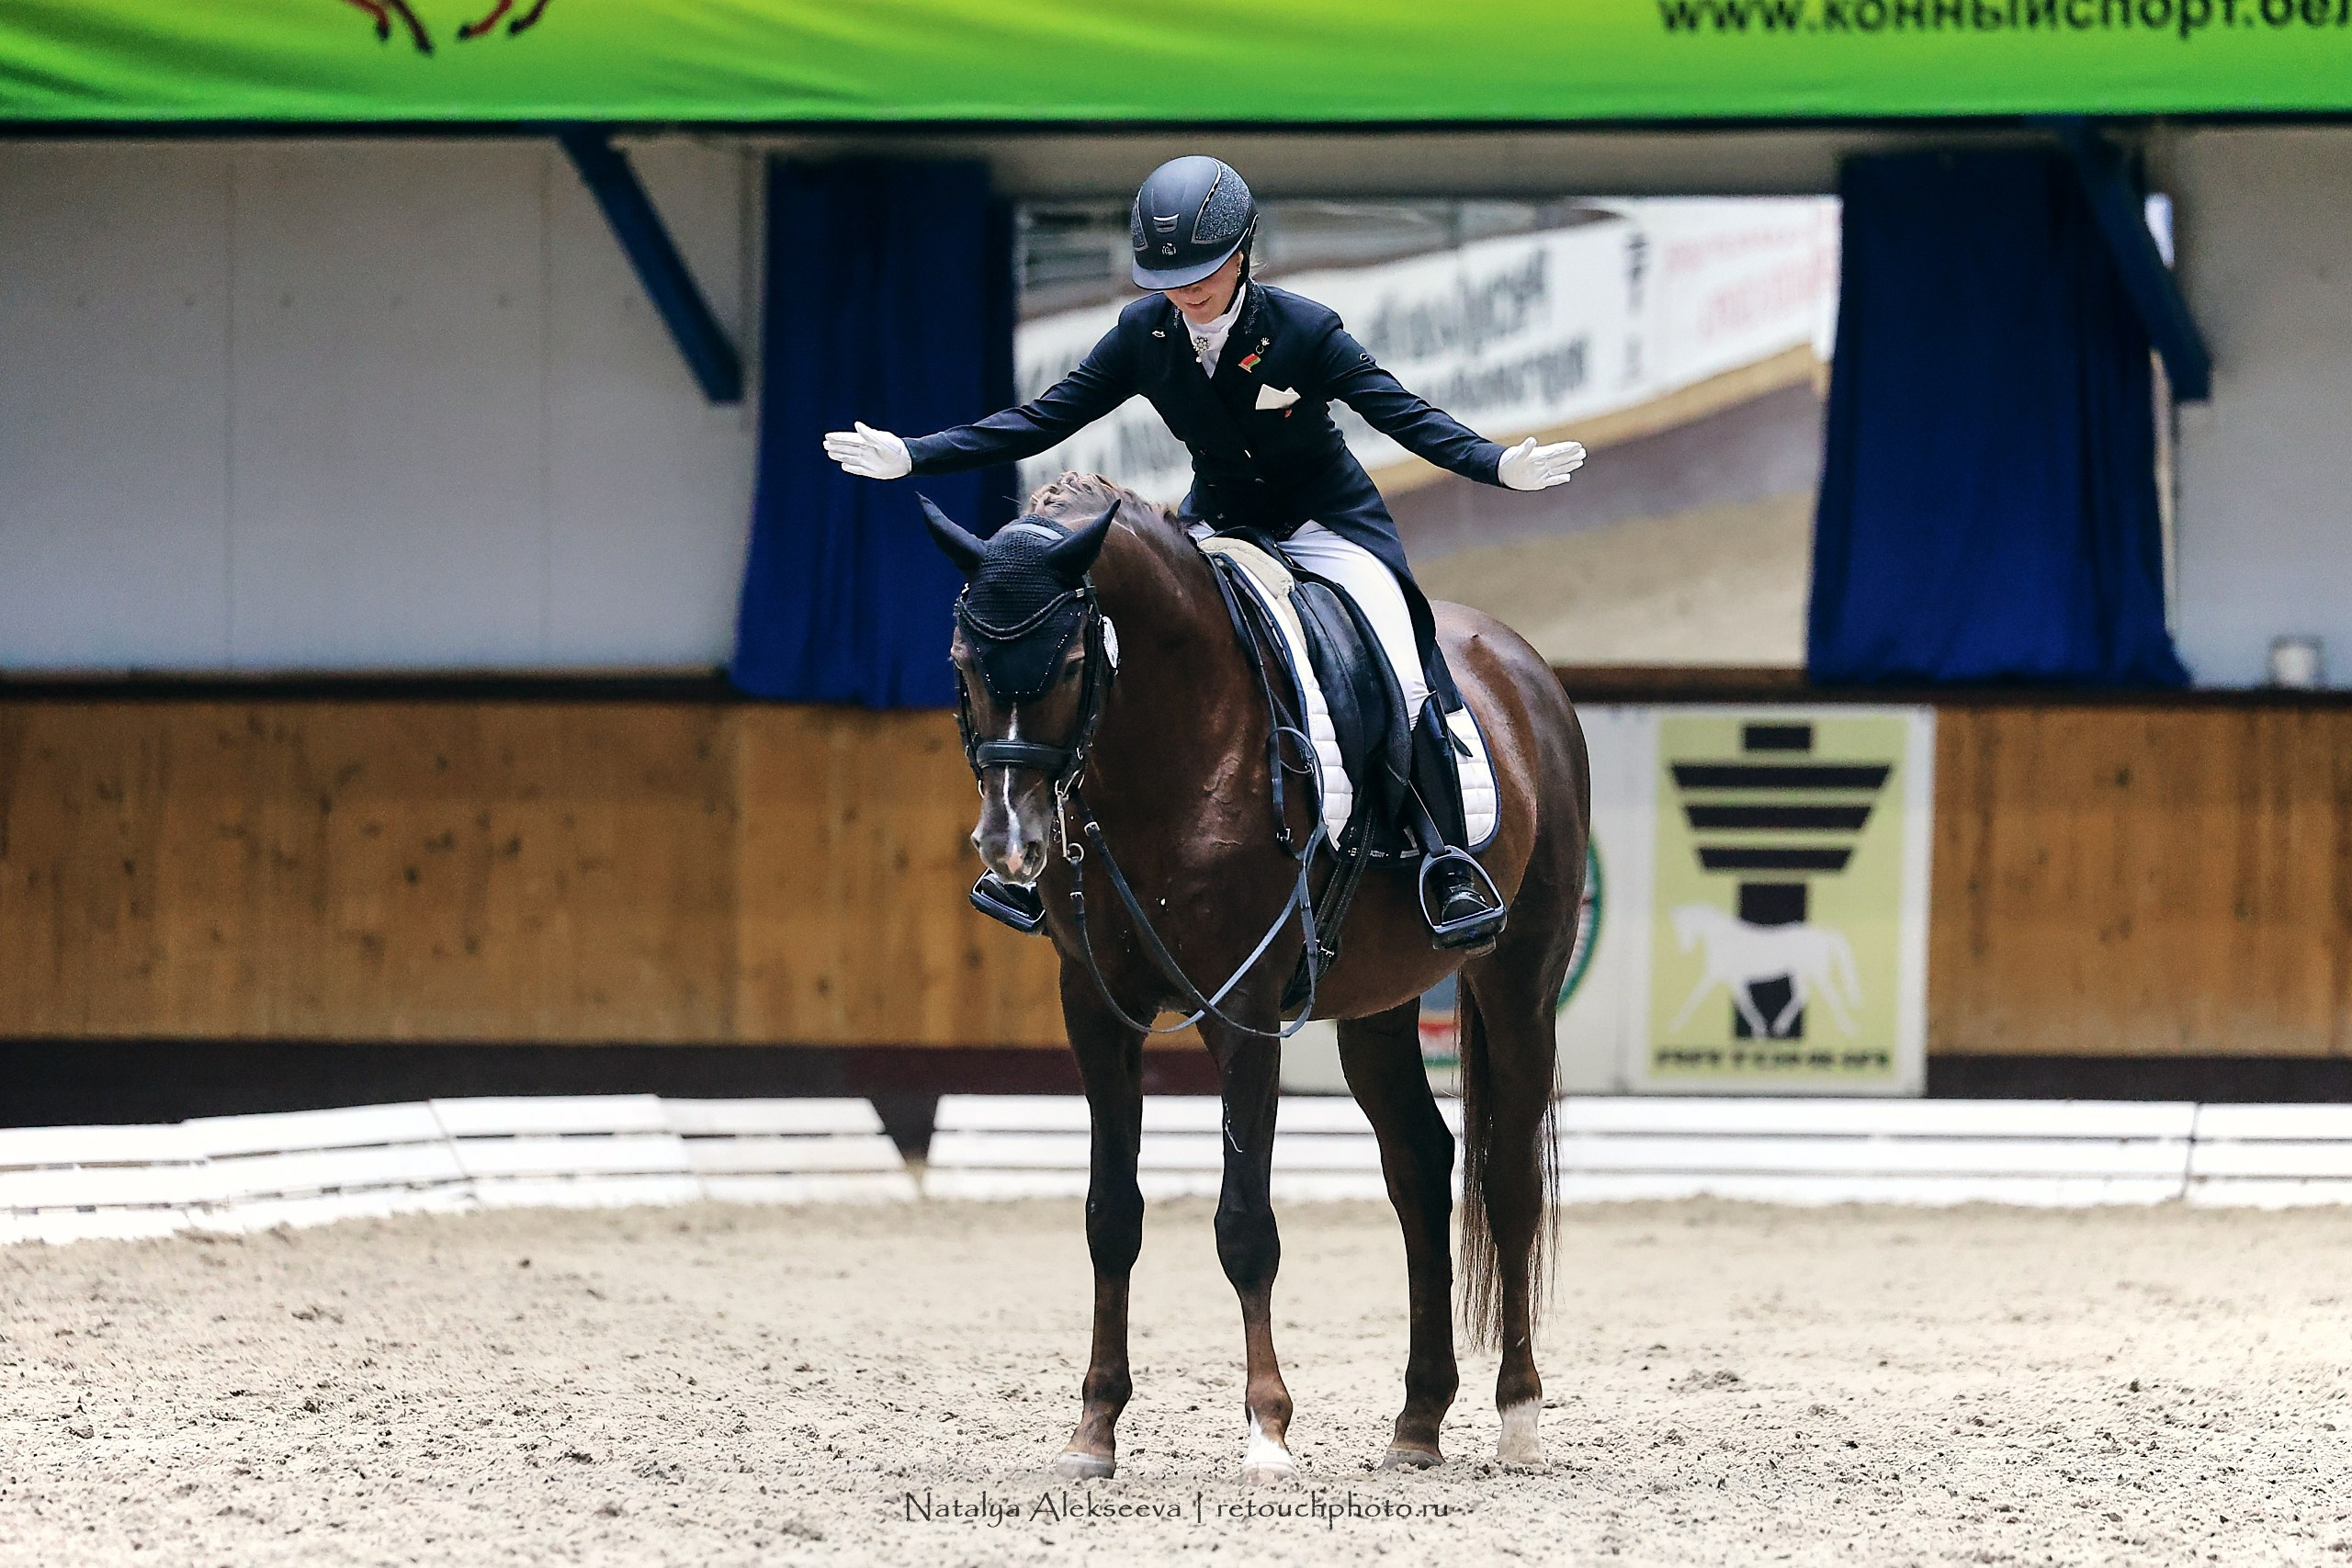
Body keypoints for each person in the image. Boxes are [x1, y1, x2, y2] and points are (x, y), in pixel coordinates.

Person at [825, 155, 1585, 947]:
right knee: (1109, 653)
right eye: (1169, 274)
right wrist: (915, 454)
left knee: (1401, 658)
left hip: (1327, 526)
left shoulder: (1302, 330)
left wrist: (1496, 463)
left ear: (1244, 253)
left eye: (1203, 271)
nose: (1187, 291)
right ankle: (1044, 846)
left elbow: (1400, 412)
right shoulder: (1145, 335)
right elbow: (1045, 417)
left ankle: (1445, 856)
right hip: (1219, 525)